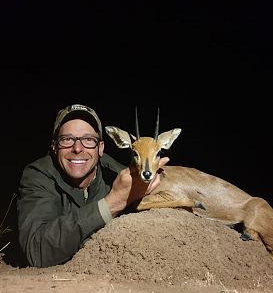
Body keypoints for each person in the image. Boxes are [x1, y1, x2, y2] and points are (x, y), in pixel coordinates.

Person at [17, 104, 169, 268]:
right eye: (67, 139)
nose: (77, 148)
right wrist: (111, 204)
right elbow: (37, 252)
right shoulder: (38, 175)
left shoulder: (116, 174)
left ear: (101, 148)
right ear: (54, 147)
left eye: (88, 139)